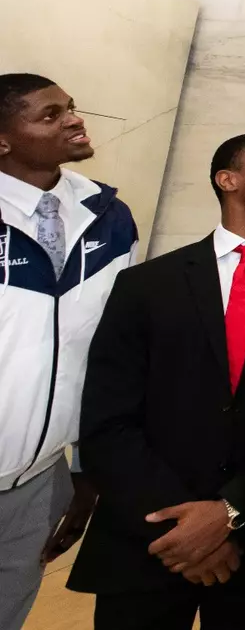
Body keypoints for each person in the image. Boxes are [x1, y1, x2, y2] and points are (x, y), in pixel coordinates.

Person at [69, 133, 245, 630]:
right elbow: (108, 421)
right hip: (151, 540)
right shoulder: (146, 285)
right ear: (228, 180)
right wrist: (185, 528)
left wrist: (231, 511)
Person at [0, 74, 139, 630]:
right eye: (50, 115)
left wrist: (86, 467)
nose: (75, 120)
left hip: (40, 477)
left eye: (72, 108)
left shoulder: (108, 215)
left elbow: (107, 351)